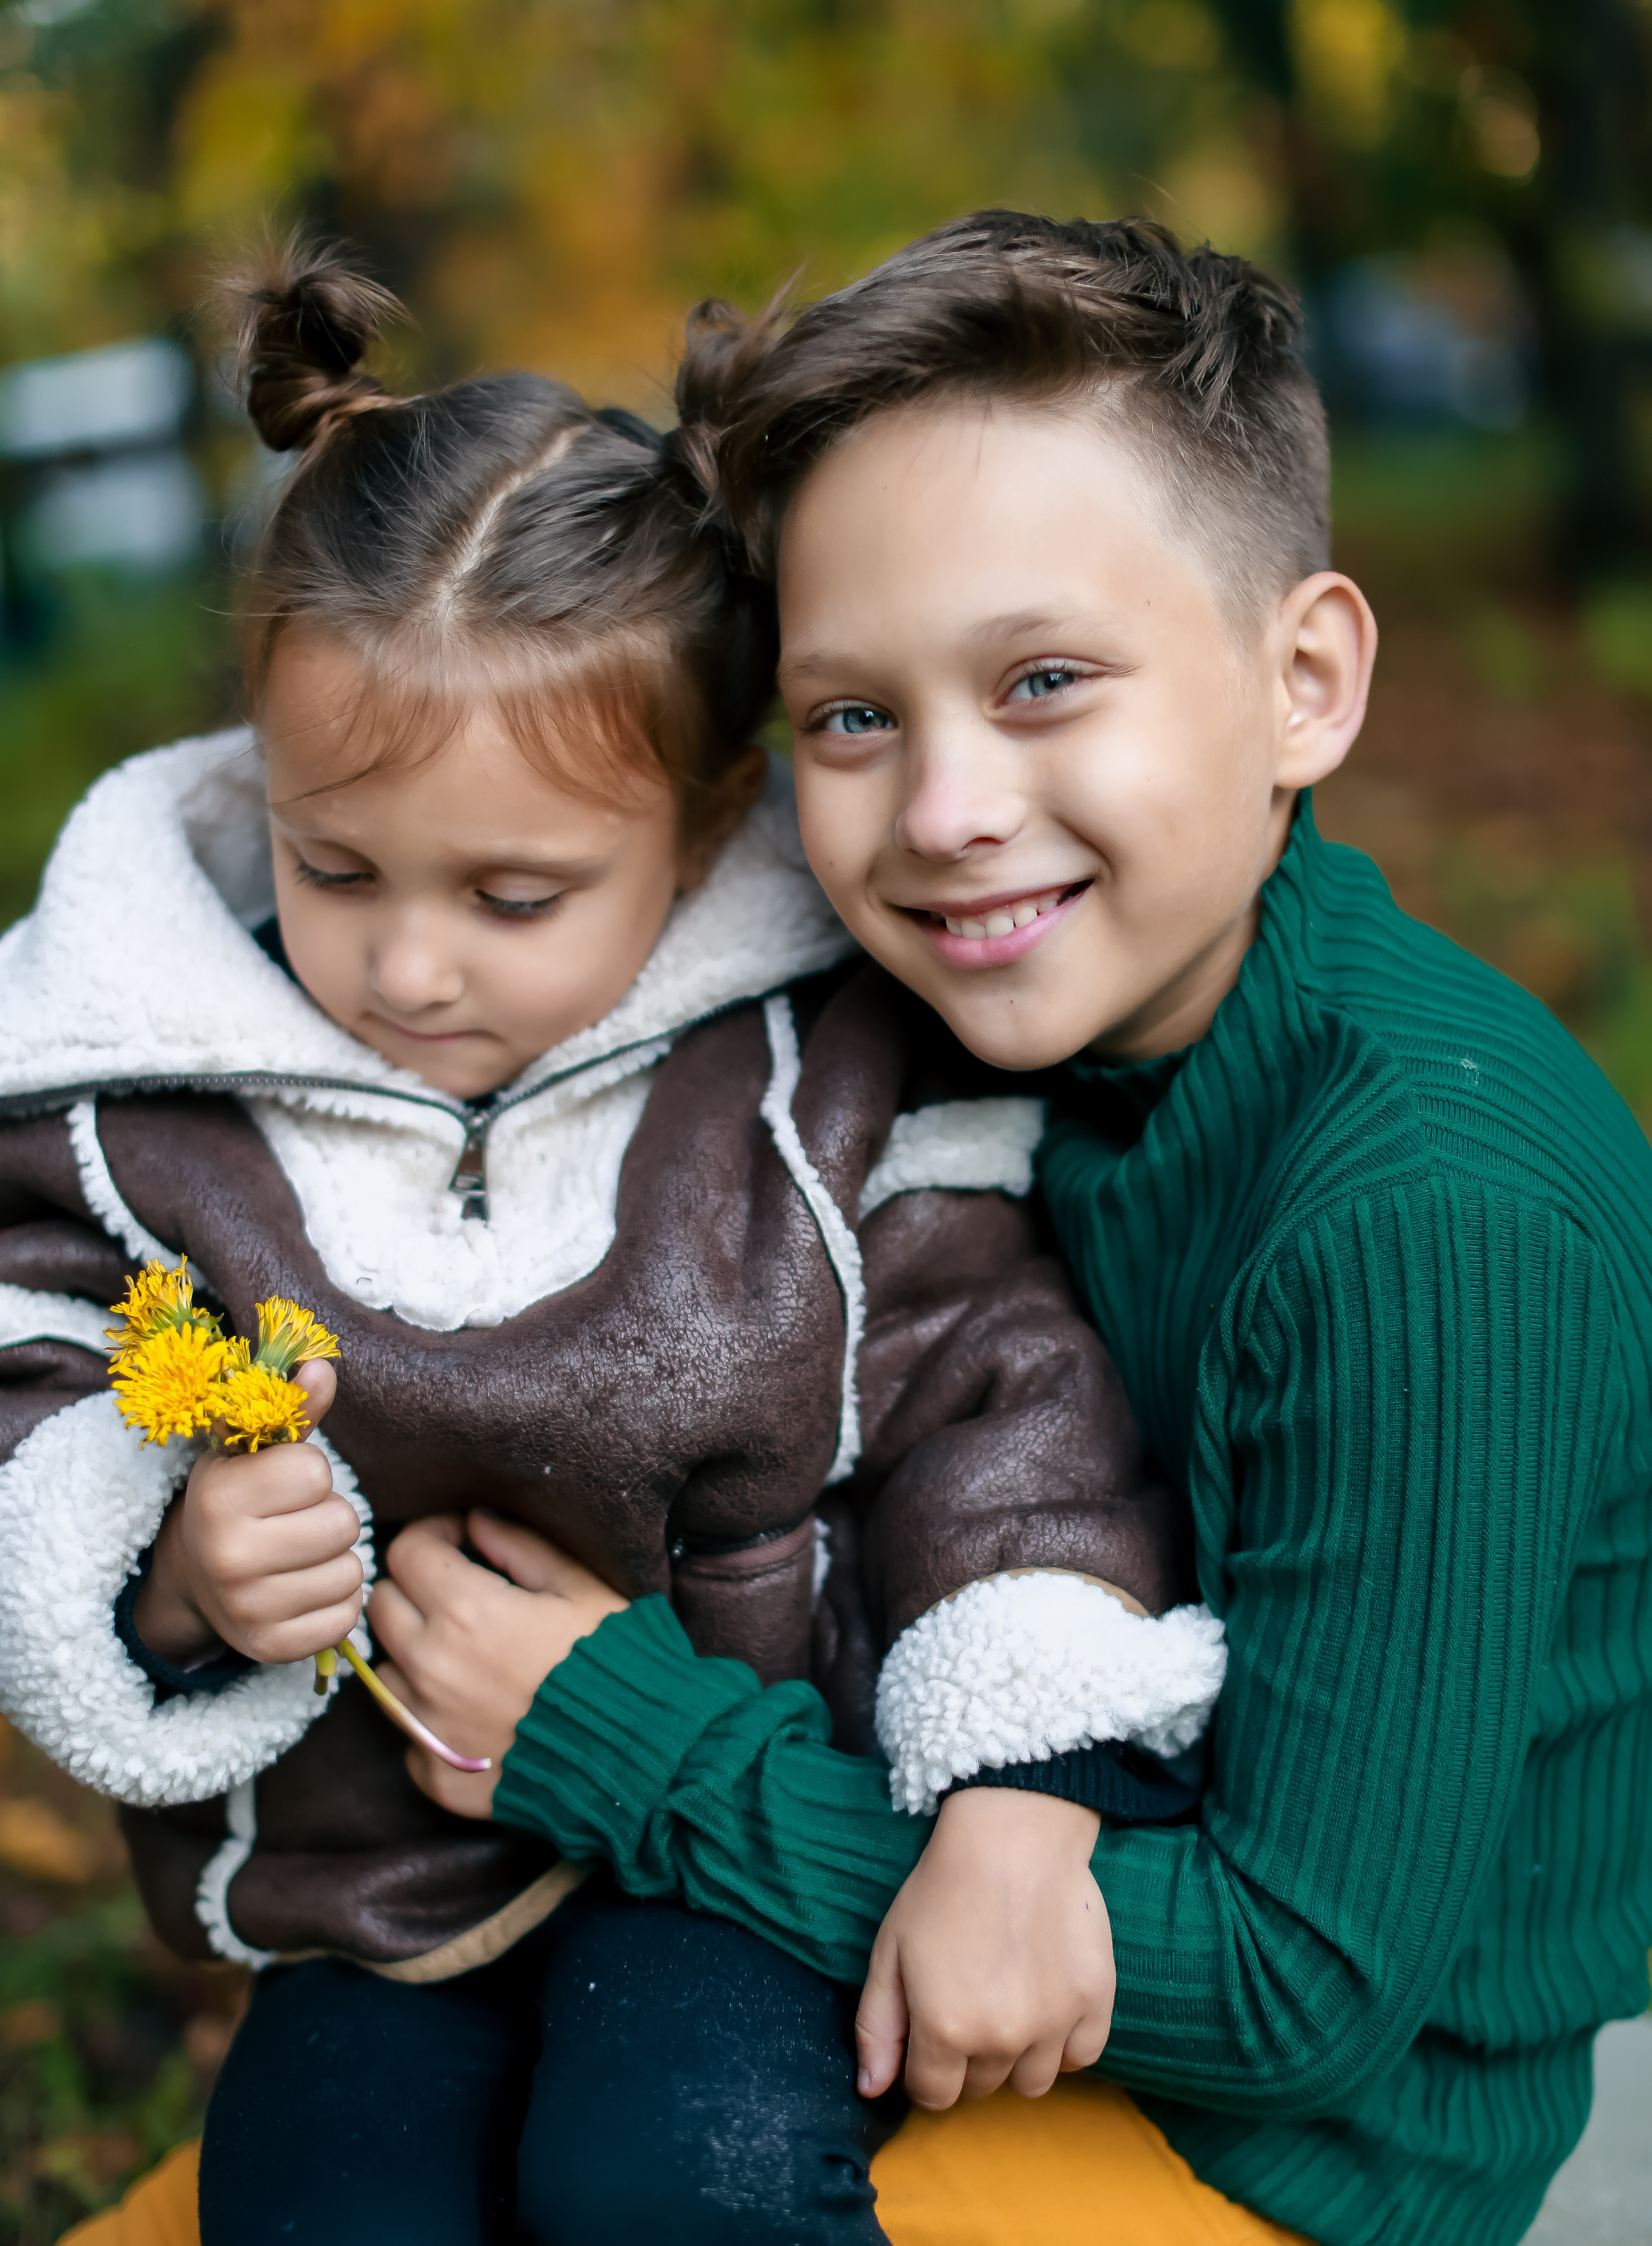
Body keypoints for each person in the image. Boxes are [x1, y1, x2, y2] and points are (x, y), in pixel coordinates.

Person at [381, 214, 1652, 2246]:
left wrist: (619, 1744)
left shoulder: (1427, 1220)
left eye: (1046, 681)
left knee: (640, 2196)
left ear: (1303, 679)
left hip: (1282, 2144)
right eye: (852, 721)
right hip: (948, 1866)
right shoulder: (972, 1024)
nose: (949, 807)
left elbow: (1297, 1983)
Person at [0, 238, 1222, 2246]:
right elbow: (34, 1360)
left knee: (675, 2178)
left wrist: (1022, 1774)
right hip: (384, 1888)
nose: (405, 962)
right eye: (335, 868)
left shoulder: (814, 1081)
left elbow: (991, 1398)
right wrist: (168, 1557)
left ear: (701, 818)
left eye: (512, 895)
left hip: (745, 1836)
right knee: (315, 2204)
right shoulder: (139, 1097)